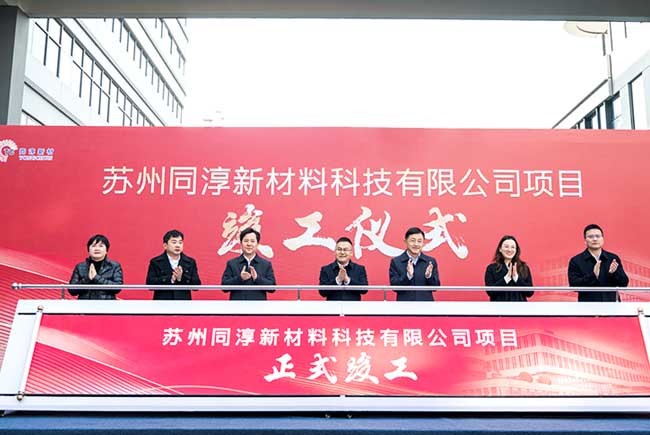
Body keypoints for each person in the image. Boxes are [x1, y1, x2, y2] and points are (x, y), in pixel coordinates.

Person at [568, 224, 629, 302]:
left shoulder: (613, 258)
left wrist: (614, 273)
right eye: (590, 237)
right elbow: (574, 286)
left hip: (611, 305)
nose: (595, 239)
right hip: (587, 306)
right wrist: (593, 276)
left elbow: (624, 284)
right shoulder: (576, 261)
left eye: (598, 236)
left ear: (603, 239)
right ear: (585, 241)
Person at [221, 228, 276, 300]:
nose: (249, 244)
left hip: (259, 306)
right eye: (246, 241)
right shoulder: (232, 263)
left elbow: (272, 288)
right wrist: (240, 278)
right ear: (241, 243)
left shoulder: (266, 264)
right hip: (237, 306)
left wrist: (257, 278)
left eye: (252, 241)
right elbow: (224, 287)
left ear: (257, 244)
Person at [146, 229, 201, 300]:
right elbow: (150, 284)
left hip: (183, 303)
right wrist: (171, 279)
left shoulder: (190, 262)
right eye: (174, 242)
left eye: (180, 242)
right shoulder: (155, 262)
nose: (178, 245)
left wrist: (181, 278)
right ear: (165, 245)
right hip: (162, 303)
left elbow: (196, 286)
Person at [389, 227, 440, 301]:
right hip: (404, 305)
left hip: (426, 305)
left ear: (423, 243)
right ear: (405, 241)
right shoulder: (396, 262)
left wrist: (429, 276)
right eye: (412, 240)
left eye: (419, 241)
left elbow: (435, 287)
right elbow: (395, 287)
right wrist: (408, 276)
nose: (416, 244)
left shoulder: (430, 262)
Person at [69, 234, 123, 300]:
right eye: (93, 246)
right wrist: (87, 279)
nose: (97, 249)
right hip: (85, 305)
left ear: (106, 250)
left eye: (101, 246)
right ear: (88, 250)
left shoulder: (114, 266)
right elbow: (72, 290)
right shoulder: (80, 267)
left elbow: (117, 287)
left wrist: (96, 277)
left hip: (107, 305)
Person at [484, 235, 533, 302]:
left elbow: (530, 292)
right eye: (506, 247)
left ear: (516, 250)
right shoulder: (491, 268)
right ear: (500, 249)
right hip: (499, 307)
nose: (509, 250)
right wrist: (506, 279)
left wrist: (517, 279)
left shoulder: (524, 267)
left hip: (520, 308)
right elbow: (490, 292)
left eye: (513, 247)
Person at [319, 237, 368, 301]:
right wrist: (337, 280)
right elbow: (322, 292)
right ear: (335, 252)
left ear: (351, 253)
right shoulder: (326, 269)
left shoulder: (359, 269)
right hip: (332, 307)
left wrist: (347, 280)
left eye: (345, 250)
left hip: (354, 306)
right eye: (339, 249)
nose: (342, 252)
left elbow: (364, 290)